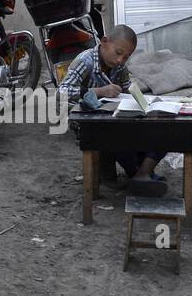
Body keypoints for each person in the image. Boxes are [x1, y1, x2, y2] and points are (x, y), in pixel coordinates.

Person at [57, 25, 168, 196]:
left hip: (115, 116)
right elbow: (60, 93)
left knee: (166, 127)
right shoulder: (84, 61)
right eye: (118, 53)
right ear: (104, 42)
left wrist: (144, 102)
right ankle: (140, 173)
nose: (120, 60)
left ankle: (141, 174)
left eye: (126, 57)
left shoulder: (120, 66)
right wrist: (98, 92)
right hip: (87, 121)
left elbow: (126, 90)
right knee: (117, 135)